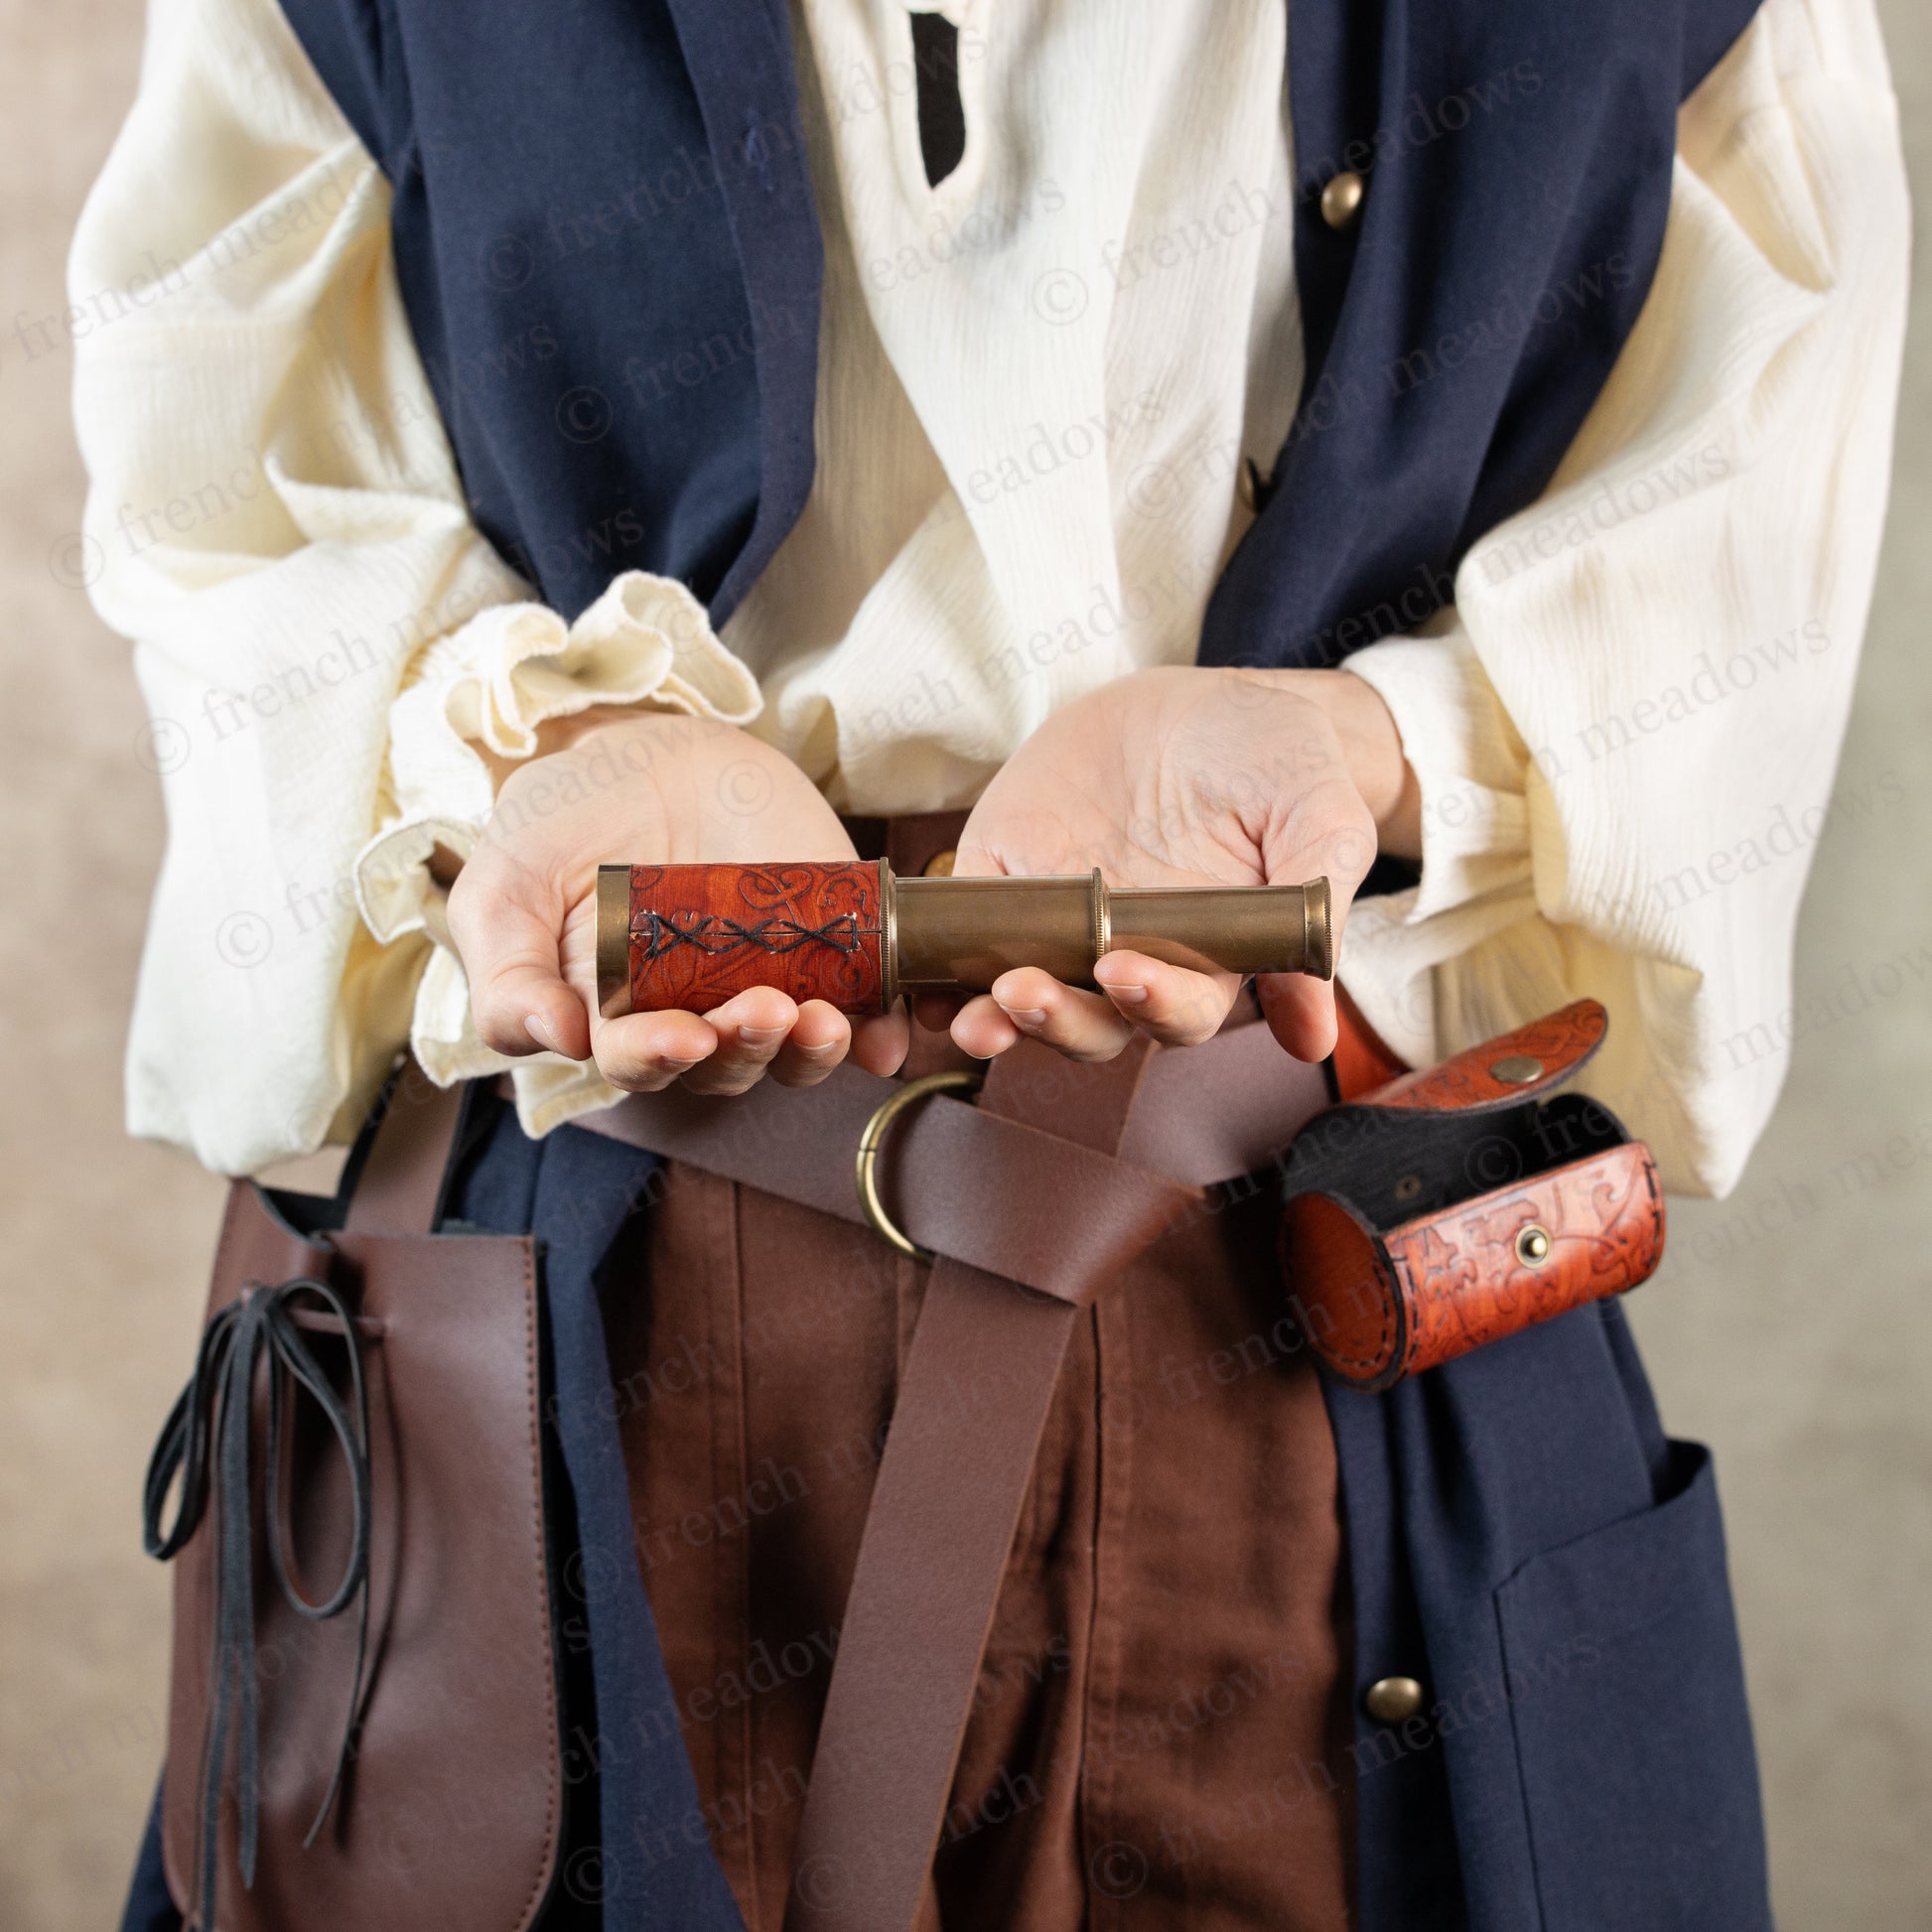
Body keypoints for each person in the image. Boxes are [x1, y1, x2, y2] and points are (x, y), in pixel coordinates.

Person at [74, 0, 1906, 1925]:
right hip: (598, 1318)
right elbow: (217, 427)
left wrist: (1376, 748)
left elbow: (1753, 461)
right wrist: (542, 750)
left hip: (1306, 1338)